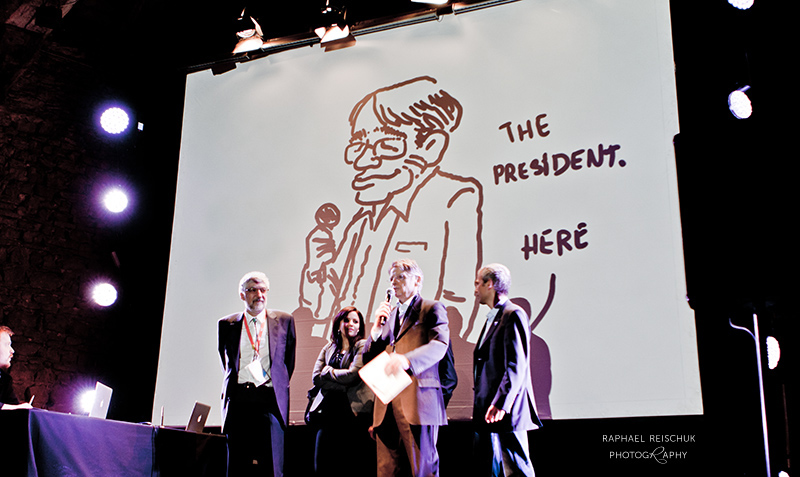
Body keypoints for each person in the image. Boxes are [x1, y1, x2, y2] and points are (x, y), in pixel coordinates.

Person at [299, 76, 483, 343]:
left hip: (408, 350)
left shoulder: (453, 198)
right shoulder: (361, 223)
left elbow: (457, 304)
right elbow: (324, 307)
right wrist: (317, 268)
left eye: (385, 146)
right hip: (359, 352)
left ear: (431, 147)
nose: (363, 161)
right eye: (357, 147)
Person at [362, 259, 450, 477]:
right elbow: (369, 358)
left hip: (418, 403)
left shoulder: (430, 308)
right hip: (387, 404)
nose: (394, 282)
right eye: (391, 278)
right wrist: (375, 331)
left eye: (400, 277)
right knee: (387, 470)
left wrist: (407, 360)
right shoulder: (390, 316)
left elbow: (440, 345)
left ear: (417, 280)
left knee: (423, 470)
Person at [218, 272, 296, 477]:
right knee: (237, 466)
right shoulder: (226, 324)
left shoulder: (285, 320)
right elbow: (226, 363)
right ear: (242, 295)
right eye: (252, 290)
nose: (259, 295)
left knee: (273, 466)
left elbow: (288, 363)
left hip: (270, 399)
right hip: (239, 400)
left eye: (262, 289)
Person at [472, 264, 542, 476]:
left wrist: (502, 403)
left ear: (490, 284)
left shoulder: (513, 314)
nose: (475, 290)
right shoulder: (494, 316)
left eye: (478, 283)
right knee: (493, 468)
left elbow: (516, 365)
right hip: (489, 410)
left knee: (517, 468)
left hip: (506, 410)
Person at [309, 306, 375, 476]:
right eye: (346, 320)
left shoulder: (362, 345)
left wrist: (329, 371)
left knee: (349, 466)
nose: (350, 324)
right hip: (327, 414)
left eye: (355, 321)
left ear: (359, 327)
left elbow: (353, 375)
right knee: (322, 466)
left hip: (352, 415)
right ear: (338, 324)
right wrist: (342, 385)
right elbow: (316, 378)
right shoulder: (328, 348)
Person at [1, 326, 32, 410]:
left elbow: (15, 406)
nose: (12, 350)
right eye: (7, 345)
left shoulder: (5, 379)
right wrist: (14, 408)